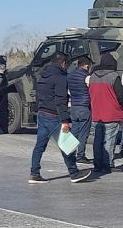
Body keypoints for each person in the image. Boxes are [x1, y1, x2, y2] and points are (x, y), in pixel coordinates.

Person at [29, 52, 91, 184]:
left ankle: (34, 173)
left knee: (40, 145)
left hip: (42, 113)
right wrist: (65, 120)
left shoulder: (42, 75)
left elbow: (37, 95)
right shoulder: (60, 78)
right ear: (63, 63)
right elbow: (61, 100)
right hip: (54, 115)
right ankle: (74, 173)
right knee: (67, 145)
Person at [89, 53, 123, 173]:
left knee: (97, 140)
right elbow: (120, 96)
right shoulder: (114, 76)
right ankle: (108, 164)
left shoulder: (92, 76)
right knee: (109, 140)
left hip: (96, 113)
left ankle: (97, 164)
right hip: (111, 113)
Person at [67, 56, 93, 164]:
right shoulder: (87, 77)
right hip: (84, 107)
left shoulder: (70, 76)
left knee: (74, 131)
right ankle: (80, 155)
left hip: (73, 106)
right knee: (83, 133)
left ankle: (69, 153)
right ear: (86, 66)